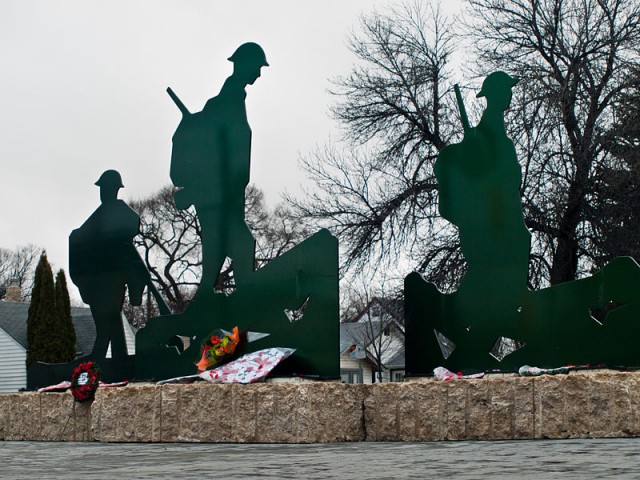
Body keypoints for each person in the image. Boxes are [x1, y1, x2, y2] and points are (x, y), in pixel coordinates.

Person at [170, 42, 268, 293]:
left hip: (226, 194)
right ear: (244, 65)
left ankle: (224, 301)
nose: (258, 73)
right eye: (257, 67)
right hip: (217, 195)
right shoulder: (225, 101)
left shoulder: (229, 99)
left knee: (222, 248)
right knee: (235, 246)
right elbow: (216, 148)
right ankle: (243, 303)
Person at [435, 72, 531, 295]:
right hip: (493, 218)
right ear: (496, 93)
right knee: (506, 250)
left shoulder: (495, 131)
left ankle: (513, 294)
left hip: (507, 210)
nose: (510, 94)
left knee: (520, 240)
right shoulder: (483, 135)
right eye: (507, 89)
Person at [69, 170, 148, 360]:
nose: (102, 192)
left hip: (111, 279)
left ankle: (99, 357)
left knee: (107, 319)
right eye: (101, 189)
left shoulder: (117, 210)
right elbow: (82, 235)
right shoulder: (101, 214)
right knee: (110, 319)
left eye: (104, 188)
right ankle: (119, 355)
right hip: (100, 278)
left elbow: (132, 223)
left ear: (113, 189)